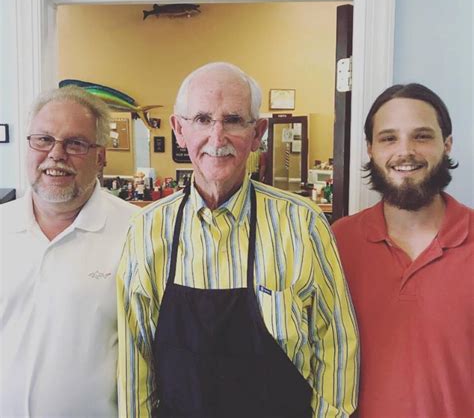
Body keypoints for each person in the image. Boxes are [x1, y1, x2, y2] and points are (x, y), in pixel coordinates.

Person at [117, 62, 359, 418]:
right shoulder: (147, 229)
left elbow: (337, 344)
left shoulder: (303, 223)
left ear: (258, 132)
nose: (217, 138)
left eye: (233, 120)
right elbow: (135, 361)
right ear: (178, 129)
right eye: (201, 119)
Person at [332, 83, 473, 417]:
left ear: (447, 144)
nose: (405, 151)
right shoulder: (337, 242)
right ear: (370, 148)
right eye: (389, 138)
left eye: (422, 136)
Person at [0, 86, 139, 417]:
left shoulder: (137, 231)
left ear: (101, 157)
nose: (56, 154)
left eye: (75, 143)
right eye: (43, 140)